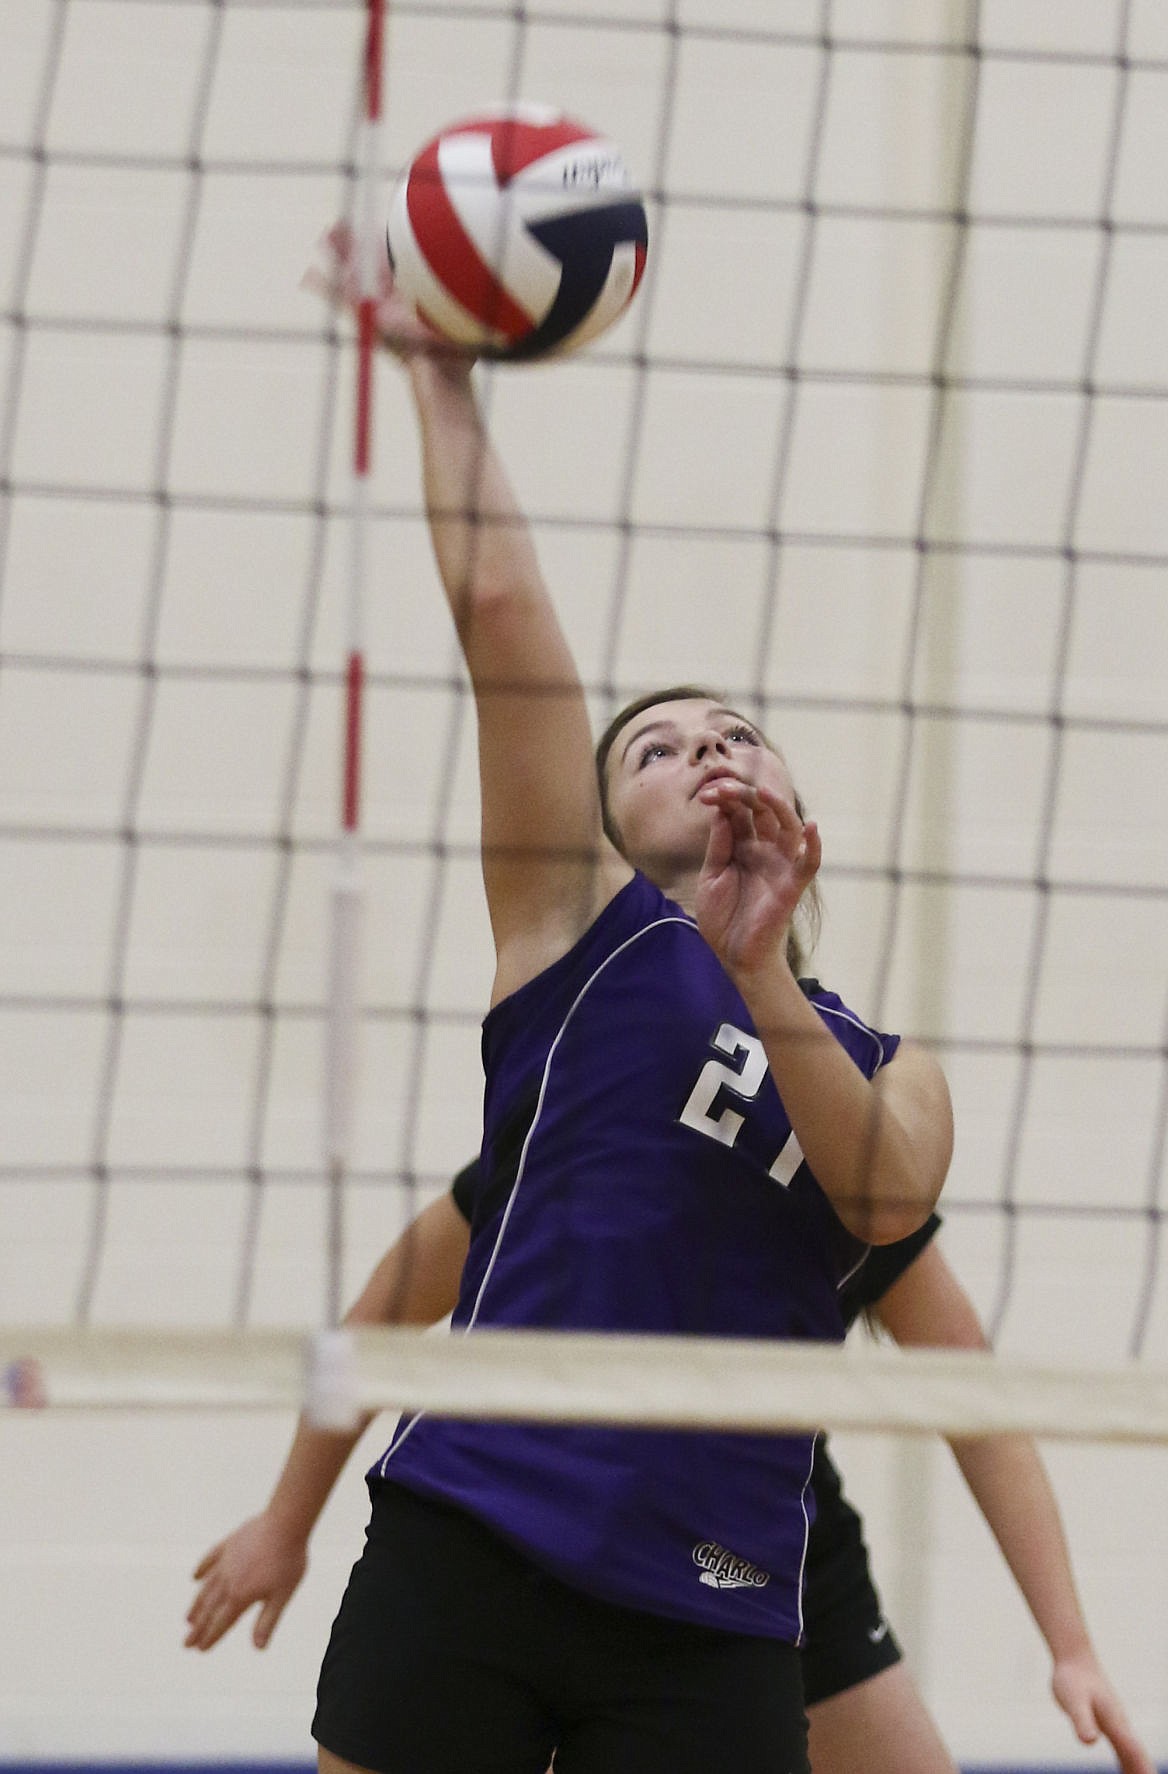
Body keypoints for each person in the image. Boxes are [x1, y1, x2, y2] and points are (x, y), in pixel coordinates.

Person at [214, 227, 954, 1774]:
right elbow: (498, 611)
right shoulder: (577, 932)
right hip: (471, 1541)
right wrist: (438, 379)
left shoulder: (893, 1061)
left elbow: (882, 1200)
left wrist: (762, 978)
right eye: (657, 744)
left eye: (739, 731)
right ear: (610, 829)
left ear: (798, 805)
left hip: (719, 1613)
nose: (709, 747)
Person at [186, 1169, 1154, 1774]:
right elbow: (382, 1317)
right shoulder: (583, 1104)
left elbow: (973, 1400)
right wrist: (286, 1519)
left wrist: (1068, 1643)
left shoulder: (848, 1151)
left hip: (759, 1555)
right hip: (551, 1548)